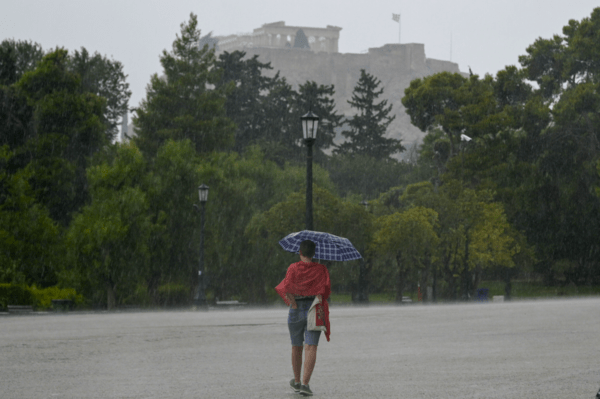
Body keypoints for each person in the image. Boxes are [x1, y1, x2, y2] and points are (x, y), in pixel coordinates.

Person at [275, 240, 331, 397]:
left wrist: (293, 305)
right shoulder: (321, 269)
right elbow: (325, 291)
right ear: (314, 254)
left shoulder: (293, 268)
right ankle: (305, 385)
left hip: (296, 309)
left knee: (296, 346)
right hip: (314, 308)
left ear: (300, 252)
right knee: (311, 347)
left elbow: (287, 288)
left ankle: (297, 381)